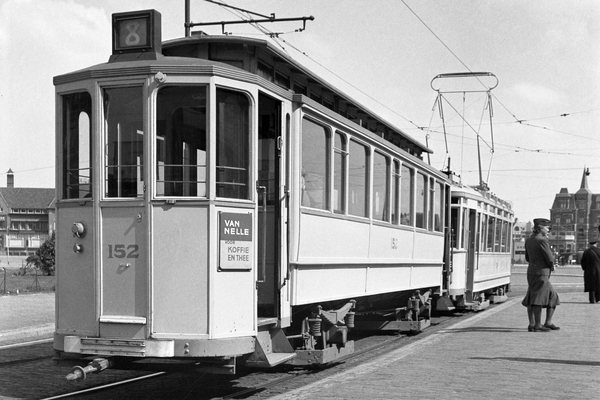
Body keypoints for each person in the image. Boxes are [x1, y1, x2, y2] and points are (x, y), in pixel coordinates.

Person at [521, 218, 560, 332]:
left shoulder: (529, 240)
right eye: (548, 228)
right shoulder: (542, 240)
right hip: (542, 273)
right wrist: (552, 265)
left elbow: (527, 257)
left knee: (548, 296)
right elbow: (549, 257)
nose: (549, 230)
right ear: (541, 228)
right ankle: (537, 325)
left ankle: (536, 323)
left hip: (532, 271)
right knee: (538, 298)